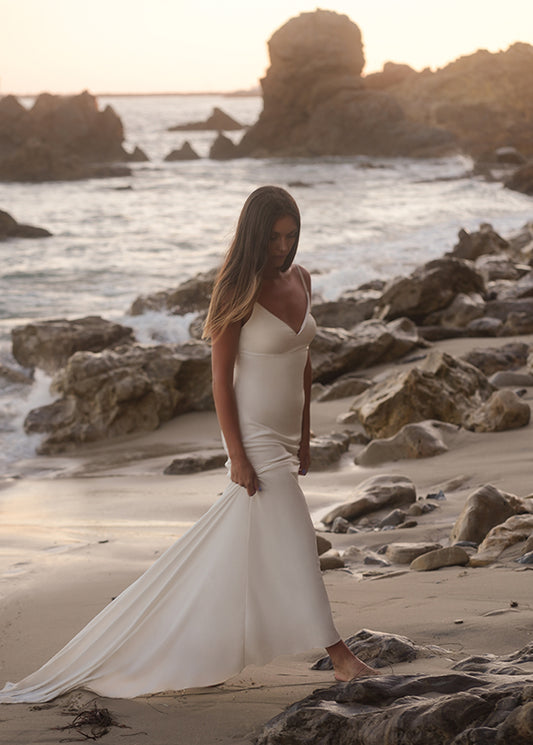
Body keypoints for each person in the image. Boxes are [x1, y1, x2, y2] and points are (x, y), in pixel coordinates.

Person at [0, 185, 376, 705]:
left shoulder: (302, 279)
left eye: (290, 237)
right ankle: (340, 657)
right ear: (253, 235)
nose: (281, 248)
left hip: (288, 438)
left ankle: (198, 643)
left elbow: (304, 364)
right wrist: (238, 456)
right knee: (295, 542)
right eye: (272, 238)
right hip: (255, 437)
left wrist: (307, 438)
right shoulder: (235, 289)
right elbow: (220, 382)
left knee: (239, 546)